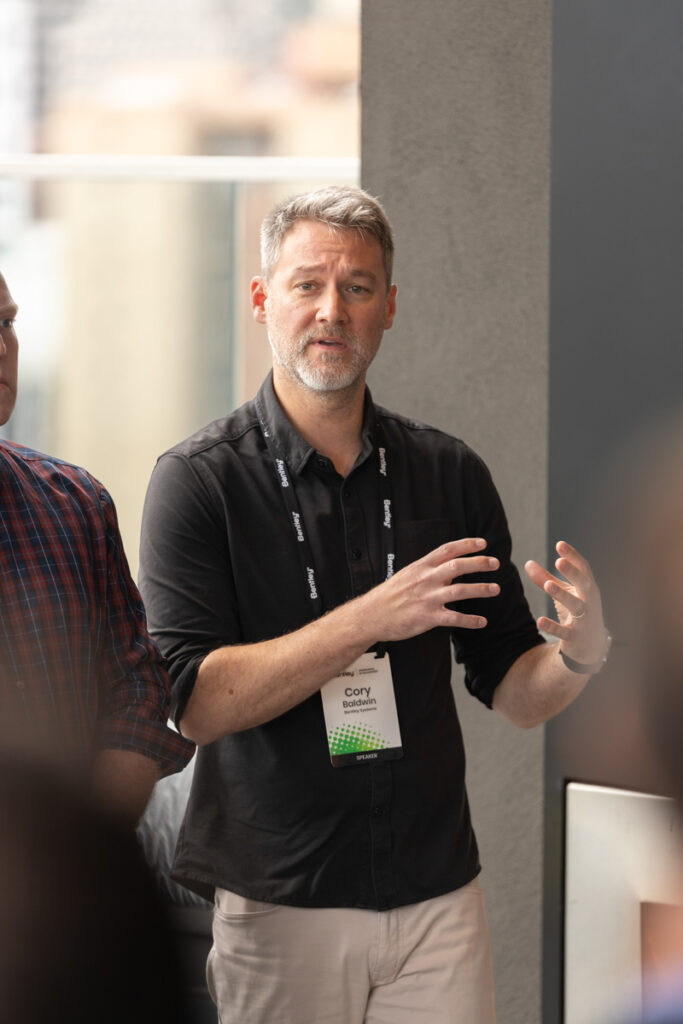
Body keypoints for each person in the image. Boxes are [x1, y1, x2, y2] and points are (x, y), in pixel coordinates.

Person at [139, 186, 610, 1023]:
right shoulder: (198, 481)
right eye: (306, 285)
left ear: (388, 308)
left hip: (436, 897)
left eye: (357, 288)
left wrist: (578, 656)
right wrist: (369, 616)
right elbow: (196, 703)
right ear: (261, 300)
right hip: (282, 903)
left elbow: (512, 688)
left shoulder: (447, 473)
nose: (332, 311)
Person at [0, 272, 194, 823]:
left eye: (6, 323)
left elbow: (136, 691)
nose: (0, 346)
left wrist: (85, 850)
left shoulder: (75, 502)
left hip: (67, 884)